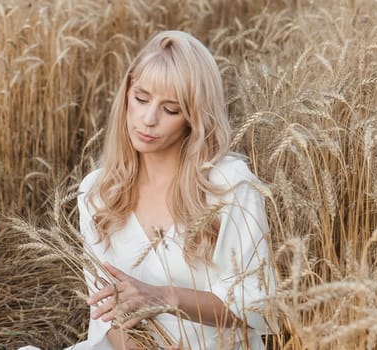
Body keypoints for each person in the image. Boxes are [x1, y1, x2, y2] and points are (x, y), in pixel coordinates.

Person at [70, 30, 276, 349]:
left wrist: (164, 297)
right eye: (140, 98)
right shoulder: (97, 191)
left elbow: (256, 309)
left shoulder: (230, 185)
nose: (148, 119)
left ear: (194, 118)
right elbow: (106, 313)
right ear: (126, 95)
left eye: (171, 109)